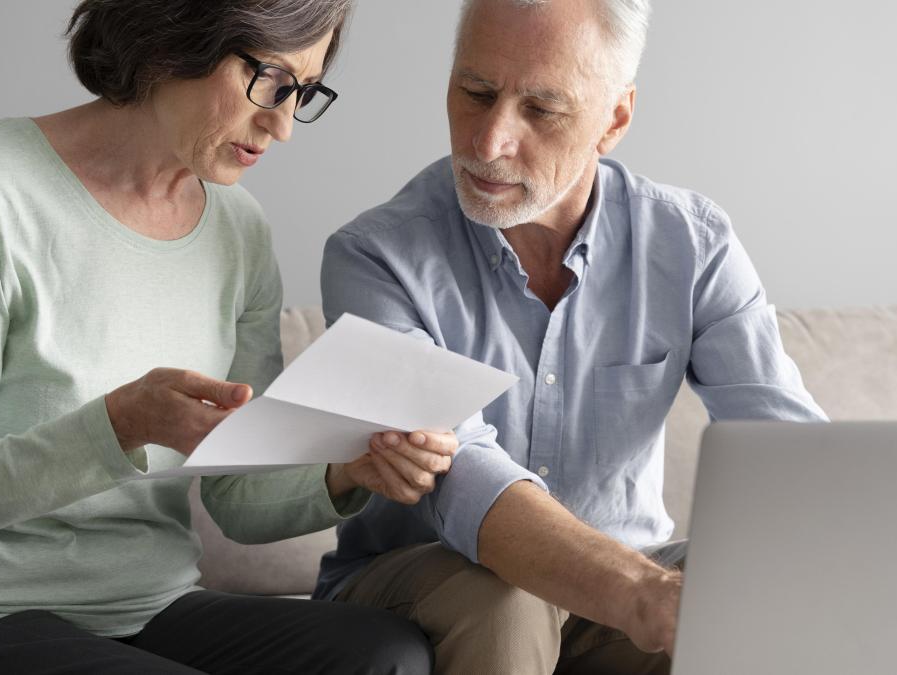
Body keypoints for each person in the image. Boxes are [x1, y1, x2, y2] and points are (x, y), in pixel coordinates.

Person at [0, 2, 454, 674]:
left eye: (303, 93)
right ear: (174, 39)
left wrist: (348, 470)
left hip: (146, 608)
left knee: (389, 656)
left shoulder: (240, 230)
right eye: (271, 81)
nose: (281, 126)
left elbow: (239, 498)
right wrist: (118, 426)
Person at [314, 0, 828, 673]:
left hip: (623, 581)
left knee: (784, 587)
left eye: (541, 109)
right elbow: (459, 474)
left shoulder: (692, 244)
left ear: (614, 119)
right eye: (476, 93)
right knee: (505, 601)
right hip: (427, 581)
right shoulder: (374, 258)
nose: (489, 142)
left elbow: (790, 453)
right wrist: (642, 593)